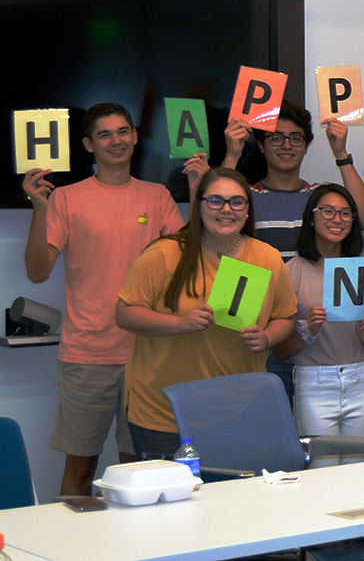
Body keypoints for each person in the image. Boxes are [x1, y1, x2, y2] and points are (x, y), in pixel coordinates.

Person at [22, 103, 187, 496]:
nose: (117, 140)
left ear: (134, 136)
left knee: (139, 472)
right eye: (105, 134)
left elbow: (188, 262)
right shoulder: (65, 198)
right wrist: (39, 209)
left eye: (123, 131)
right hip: (87, 355)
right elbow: (37, 271)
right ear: (88, 144)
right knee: (80, 468)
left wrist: (198, 189)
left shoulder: (158, 195)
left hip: (148, 356)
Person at [115, 168, 297, 460]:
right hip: (164, 415)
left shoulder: (267, 257)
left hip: (237, 411)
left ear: (248, 211)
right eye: (215, 201)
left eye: (237, 202)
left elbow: (285, 317)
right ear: (198, 207)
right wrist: (179, 323)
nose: (227, 210)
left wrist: (265, 338)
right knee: (172, 505)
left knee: (231, 502)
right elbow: (124, 314)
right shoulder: (164, 253)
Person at [222, 100, 364, 402]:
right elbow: (211, 215)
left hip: (315, 336)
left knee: (311, 435)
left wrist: (341, 154)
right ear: (262, 146)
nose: (286, 145)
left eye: (296, 138)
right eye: (275, 138)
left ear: (306, 146)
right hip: (261, 333)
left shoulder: (320, 197)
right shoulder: (244, 199)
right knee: (266, 431)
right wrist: (231, 155)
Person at [283, 184, 364, 467]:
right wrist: (307, 330)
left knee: (358, 470)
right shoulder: (291, 271)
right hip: (314, 381)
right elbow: (279, 350)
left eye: (345, 213)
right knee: (321, 469)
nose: (337, 219)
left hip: (360, 378)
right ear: (311, 217)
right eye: (327, 211)